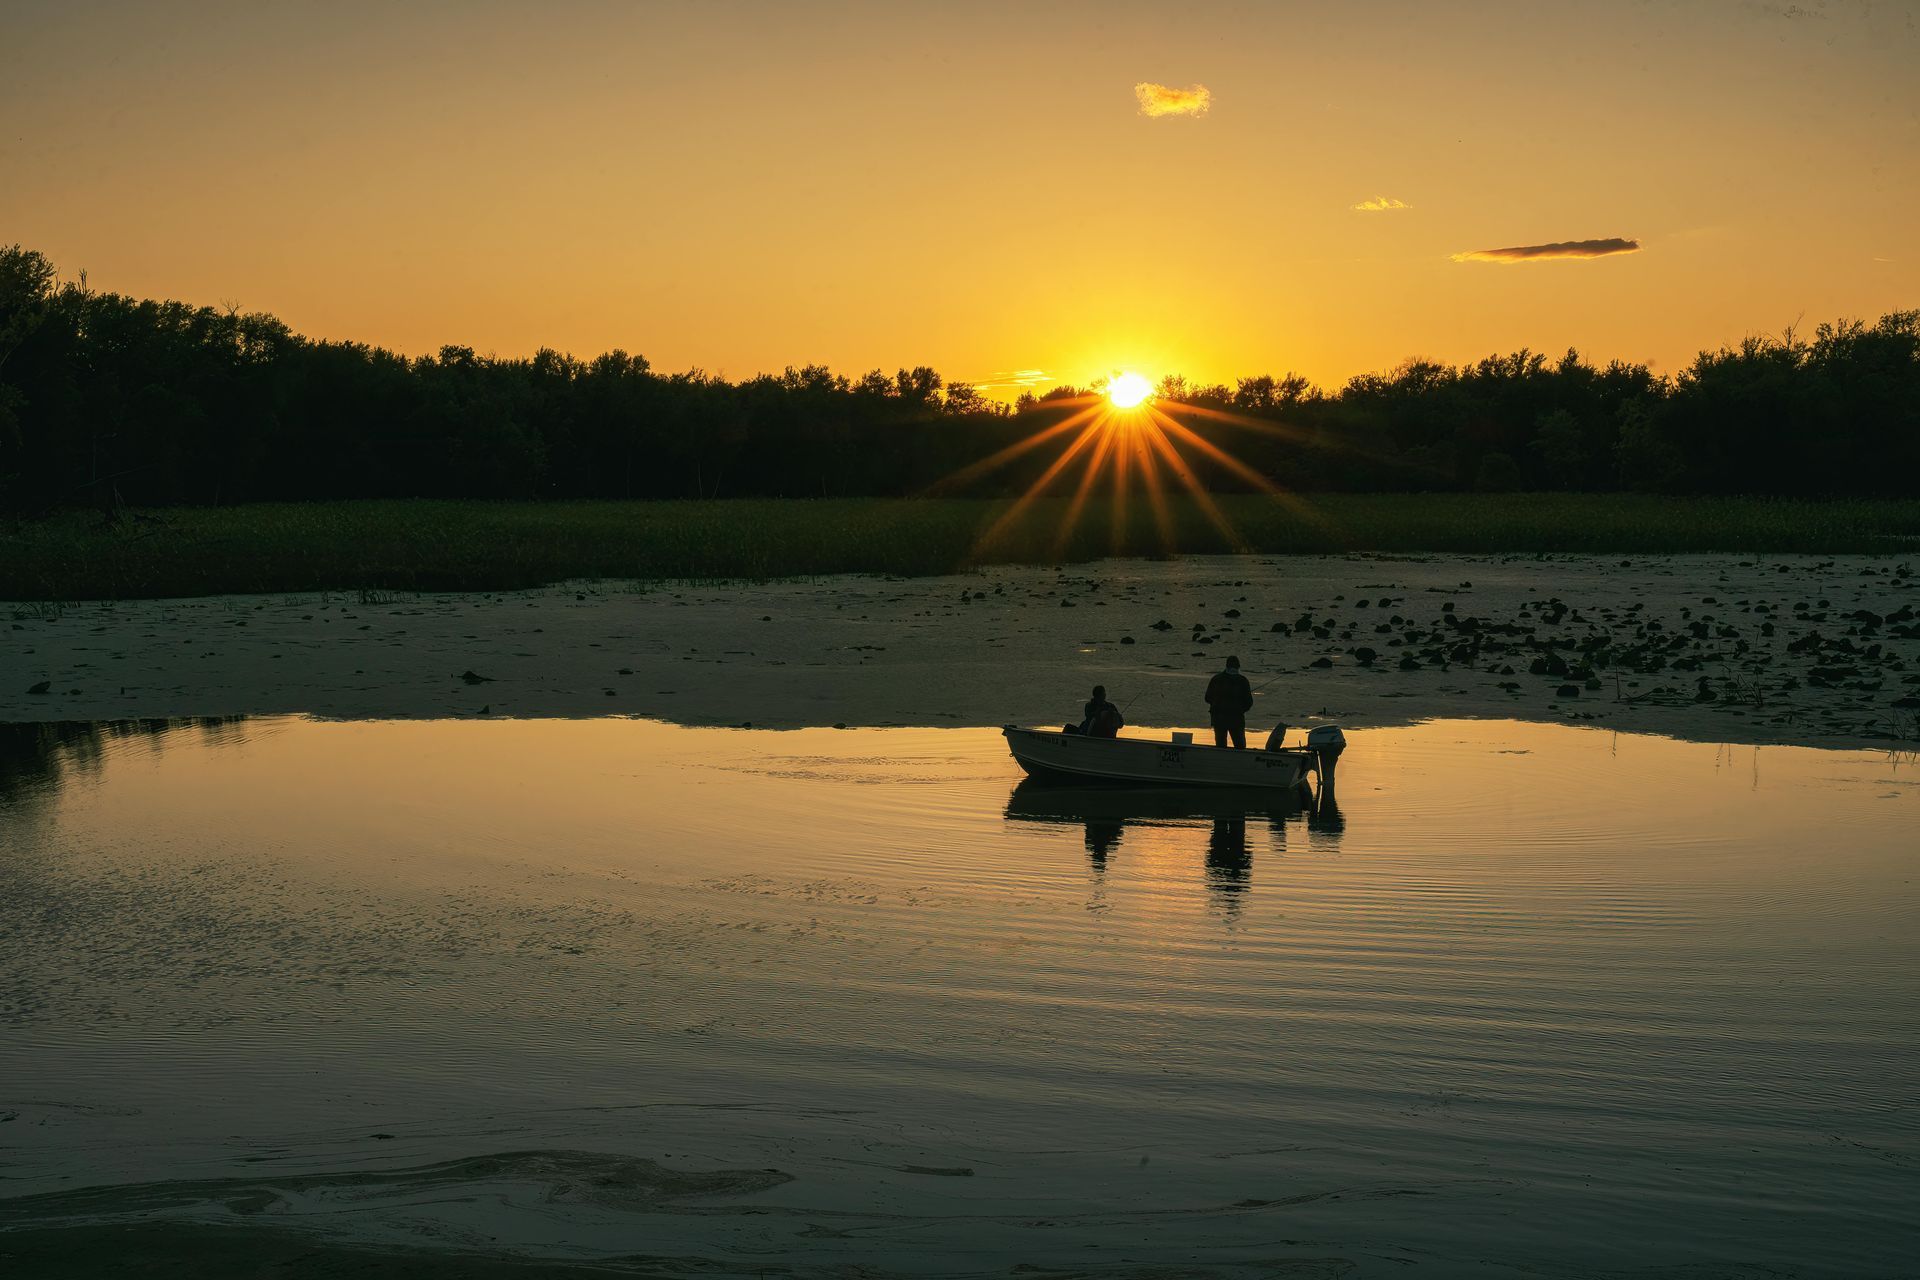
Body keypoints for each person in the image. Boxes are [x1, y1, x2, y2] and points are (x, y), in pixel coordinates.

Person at [1204, 656, 1253, 749]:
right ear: (1238, 666)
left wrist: (1217, 704)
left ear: (1226, 666)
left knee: (1221, 746)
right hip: (1236, 719)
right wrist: (1239, 710)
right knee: (1240, 747)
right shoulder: (1243, 681)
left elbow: (1207, 698)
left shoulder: (1216, 679)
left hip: (1218, 718)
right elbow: (1249, 702)